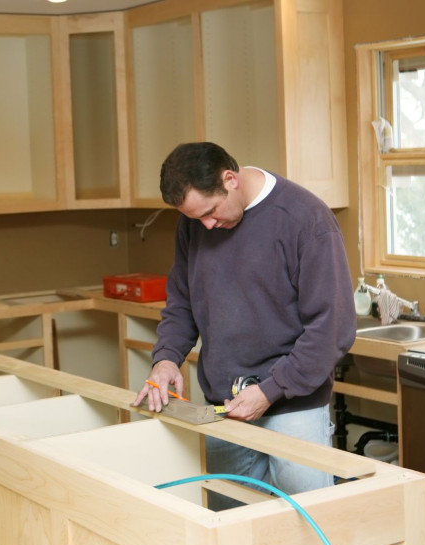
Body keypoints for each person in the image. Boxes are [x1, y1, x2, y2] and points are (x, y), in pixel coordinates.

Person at [133, 142, 355, 508]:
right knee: (230, 528)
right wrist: (167, 358)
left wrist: (271, 389)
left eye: (210, 211)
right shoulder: (194, 225)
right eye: (194, 219)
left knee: (307, 527)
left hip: (294, 409)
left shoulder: (305, 218)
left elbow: (332, 328)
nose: (206, 225)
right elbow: (183, 303)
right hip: (223, 409)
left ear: (230, 179)